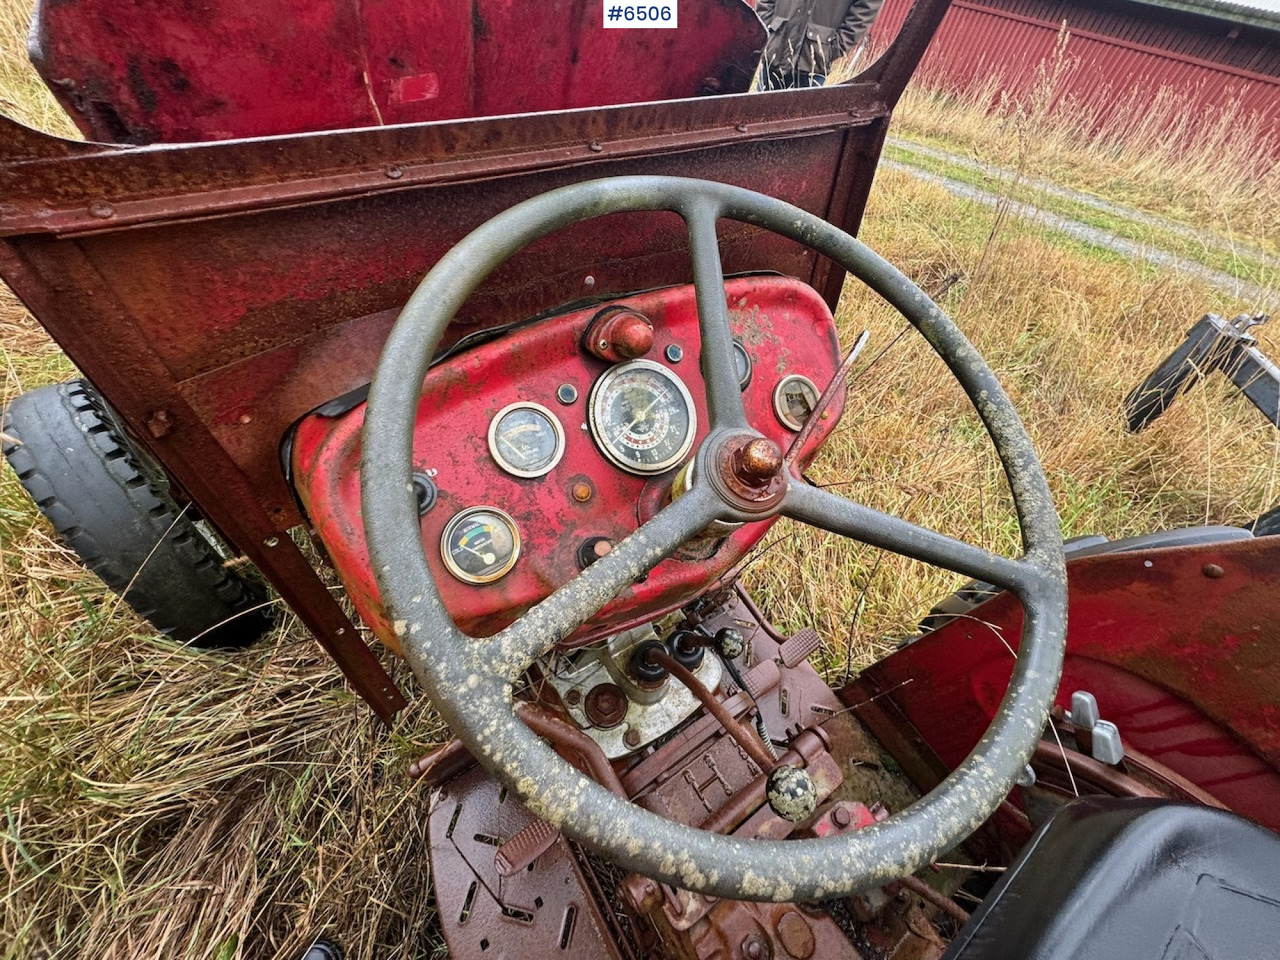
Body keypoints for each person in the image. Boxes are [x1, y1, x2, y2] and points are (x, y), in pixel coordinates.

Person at [755, 0, 886, 89]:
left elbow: (866, 8)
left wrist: (834, 48)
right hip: (776, 49)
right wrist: (766, 27)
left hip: (813, 59)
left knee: (800, 126)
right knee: (756, 120)